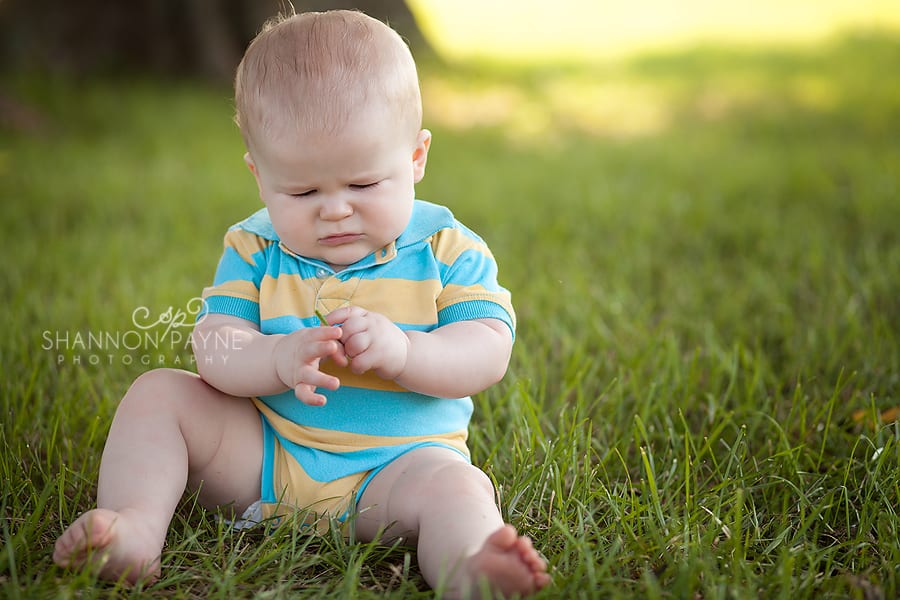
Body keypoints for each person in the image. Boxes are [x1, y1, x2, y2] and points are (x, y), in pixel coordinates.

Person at [52, 9, 550, 598]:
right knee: (159, 392)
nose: (335, 209)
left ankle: (469, 566)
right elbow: (217, 347)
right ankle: (133, 529)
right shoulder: (256, 247)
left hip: (396, 472)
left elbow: (487, 351)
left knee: (459, 489)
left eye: (363, 184)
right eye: (303, 190)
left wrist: (404, 351)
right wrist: (277, 359)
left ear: (416, 158)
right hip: (265, 460)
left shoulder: (447, 249)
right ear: (259, 176)